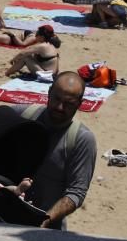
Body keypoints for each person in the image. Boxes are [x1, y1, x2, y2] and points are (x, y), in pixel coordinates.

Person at [14, 72, 98, 230]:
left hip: (45, 227)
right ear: (49, 93)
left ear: (79, 104)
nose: (60, 107)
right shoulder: (22, 115)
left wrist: (44, 220)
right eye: (56, 99)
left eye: (69, 104)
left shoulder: (82, 140)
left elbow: (76, 193)